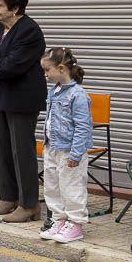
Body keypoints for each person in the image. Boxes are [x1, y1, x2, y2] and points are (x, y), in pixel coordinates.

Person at [0, 0, 46, 223]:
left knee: (21, 151)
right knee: (2, 149)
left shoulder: (29, 30)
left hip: (22, 98)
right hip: (1, 96)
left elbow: (14, 65)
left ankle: (29, 204)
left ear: (15, 8)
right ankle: (7, 198)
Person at [38, 47, 93, 244]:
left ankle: (75, 223)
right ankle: (58, 219)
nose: (45, 74)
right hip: (52, 146)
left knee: (71, 186)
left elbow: (83, 125)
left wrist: (76, 154)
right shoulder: (54, 91)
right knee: (52, 185)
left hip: (70, 150)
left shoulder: (78, 94)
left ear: (61, 68)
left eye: (47, 70)